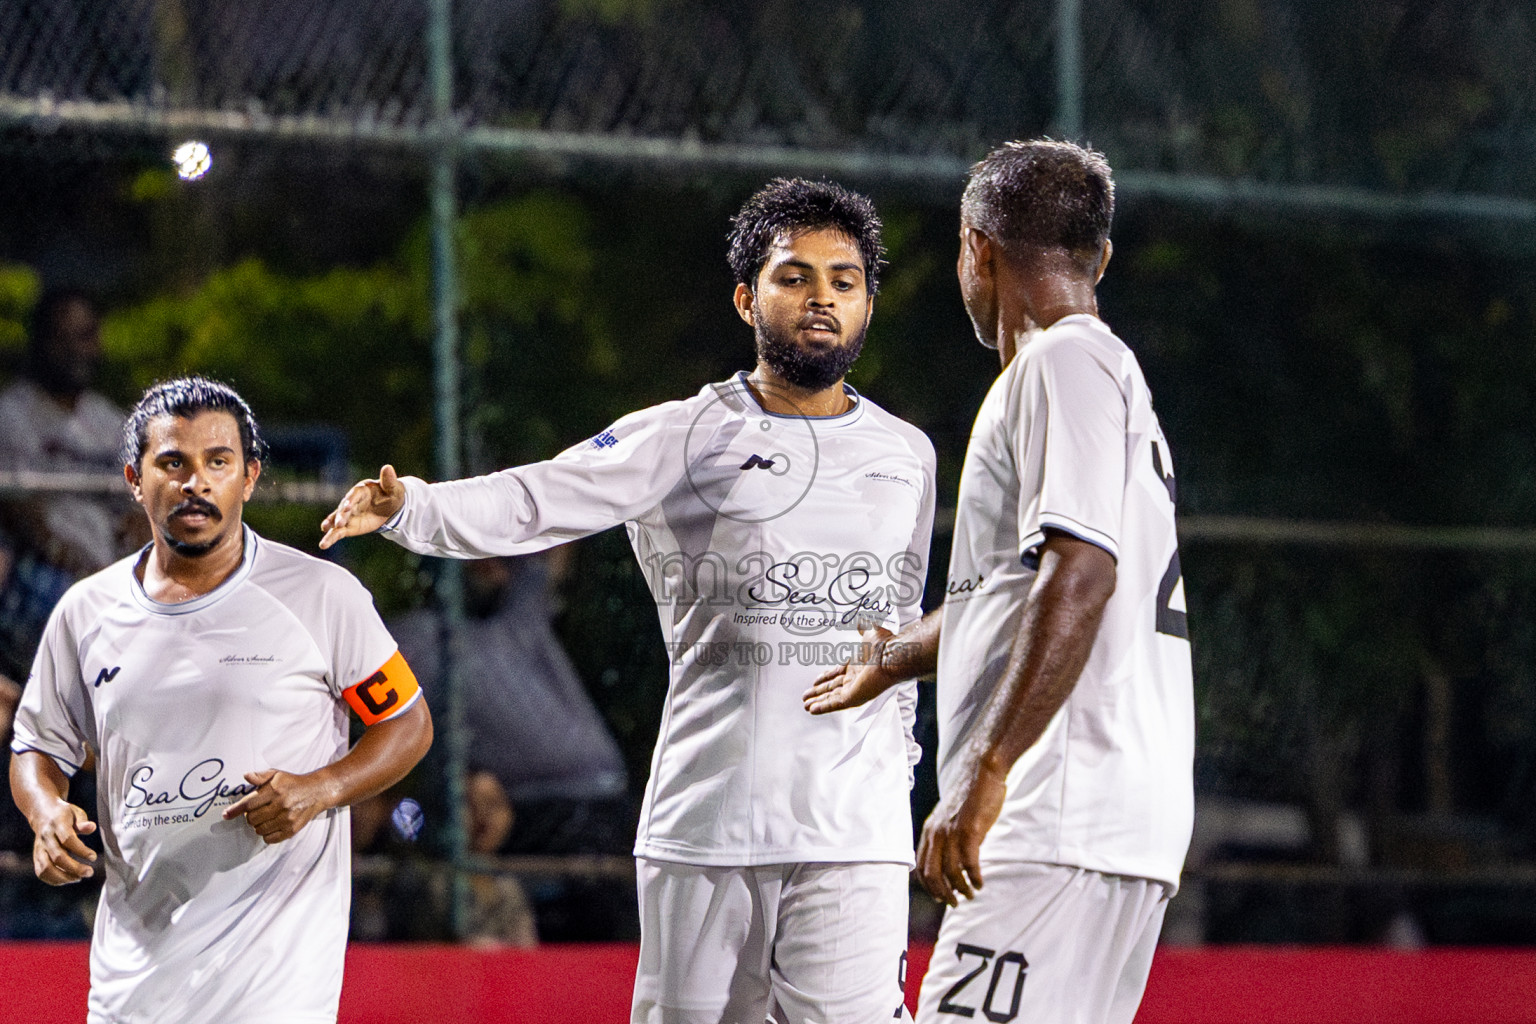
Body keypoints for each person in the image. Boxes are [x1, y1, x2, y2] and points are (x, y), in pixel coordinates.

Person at [321, 178, 936, 1023]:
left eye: (845, 279)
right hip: (712, 818)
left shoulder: (908, 454)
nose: (821, 297)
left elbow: (901, 626)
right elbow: (541, 497)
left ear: (868, 302)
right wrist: (416, 507)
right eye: (795, 276)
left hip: (856, 833)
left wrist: (902, 782)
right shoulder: (684, 432)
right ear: (746, 296)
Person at [804, 140, 1194, 1024]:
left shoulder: (1064, 363)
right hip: (1109, 823)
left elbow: (1082, 574)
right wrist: (898, 655)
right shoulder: (1091, 377)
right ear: (1098, 256)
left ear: (977, 248)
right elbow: (1015, 591)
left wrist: (987, 767)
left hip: (1055, 811)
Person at [8, 376, 433, 1024]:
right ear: (133, 477)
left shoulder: (320, 595)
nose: (194, 482)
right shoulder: (84, 611)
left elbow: (407, 722)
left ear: (251, 476)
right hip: (131, 994)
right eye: (172, 462)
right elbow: (38, 745)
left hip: (273, 995)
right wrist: (46, 815)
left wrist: (322, 787)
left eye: (218, 462)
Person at [0, 289, 145, 681]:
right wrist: (81, 570)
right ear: (41, 343)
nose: (75, 350)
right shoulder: (12, 415)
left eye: (84, 336)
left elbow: (143, 507)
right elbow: (19, 515)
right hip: (42, 580)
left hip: (112, 574)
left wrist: (140, 533)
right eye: (61, 338)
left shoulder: (111, 421)